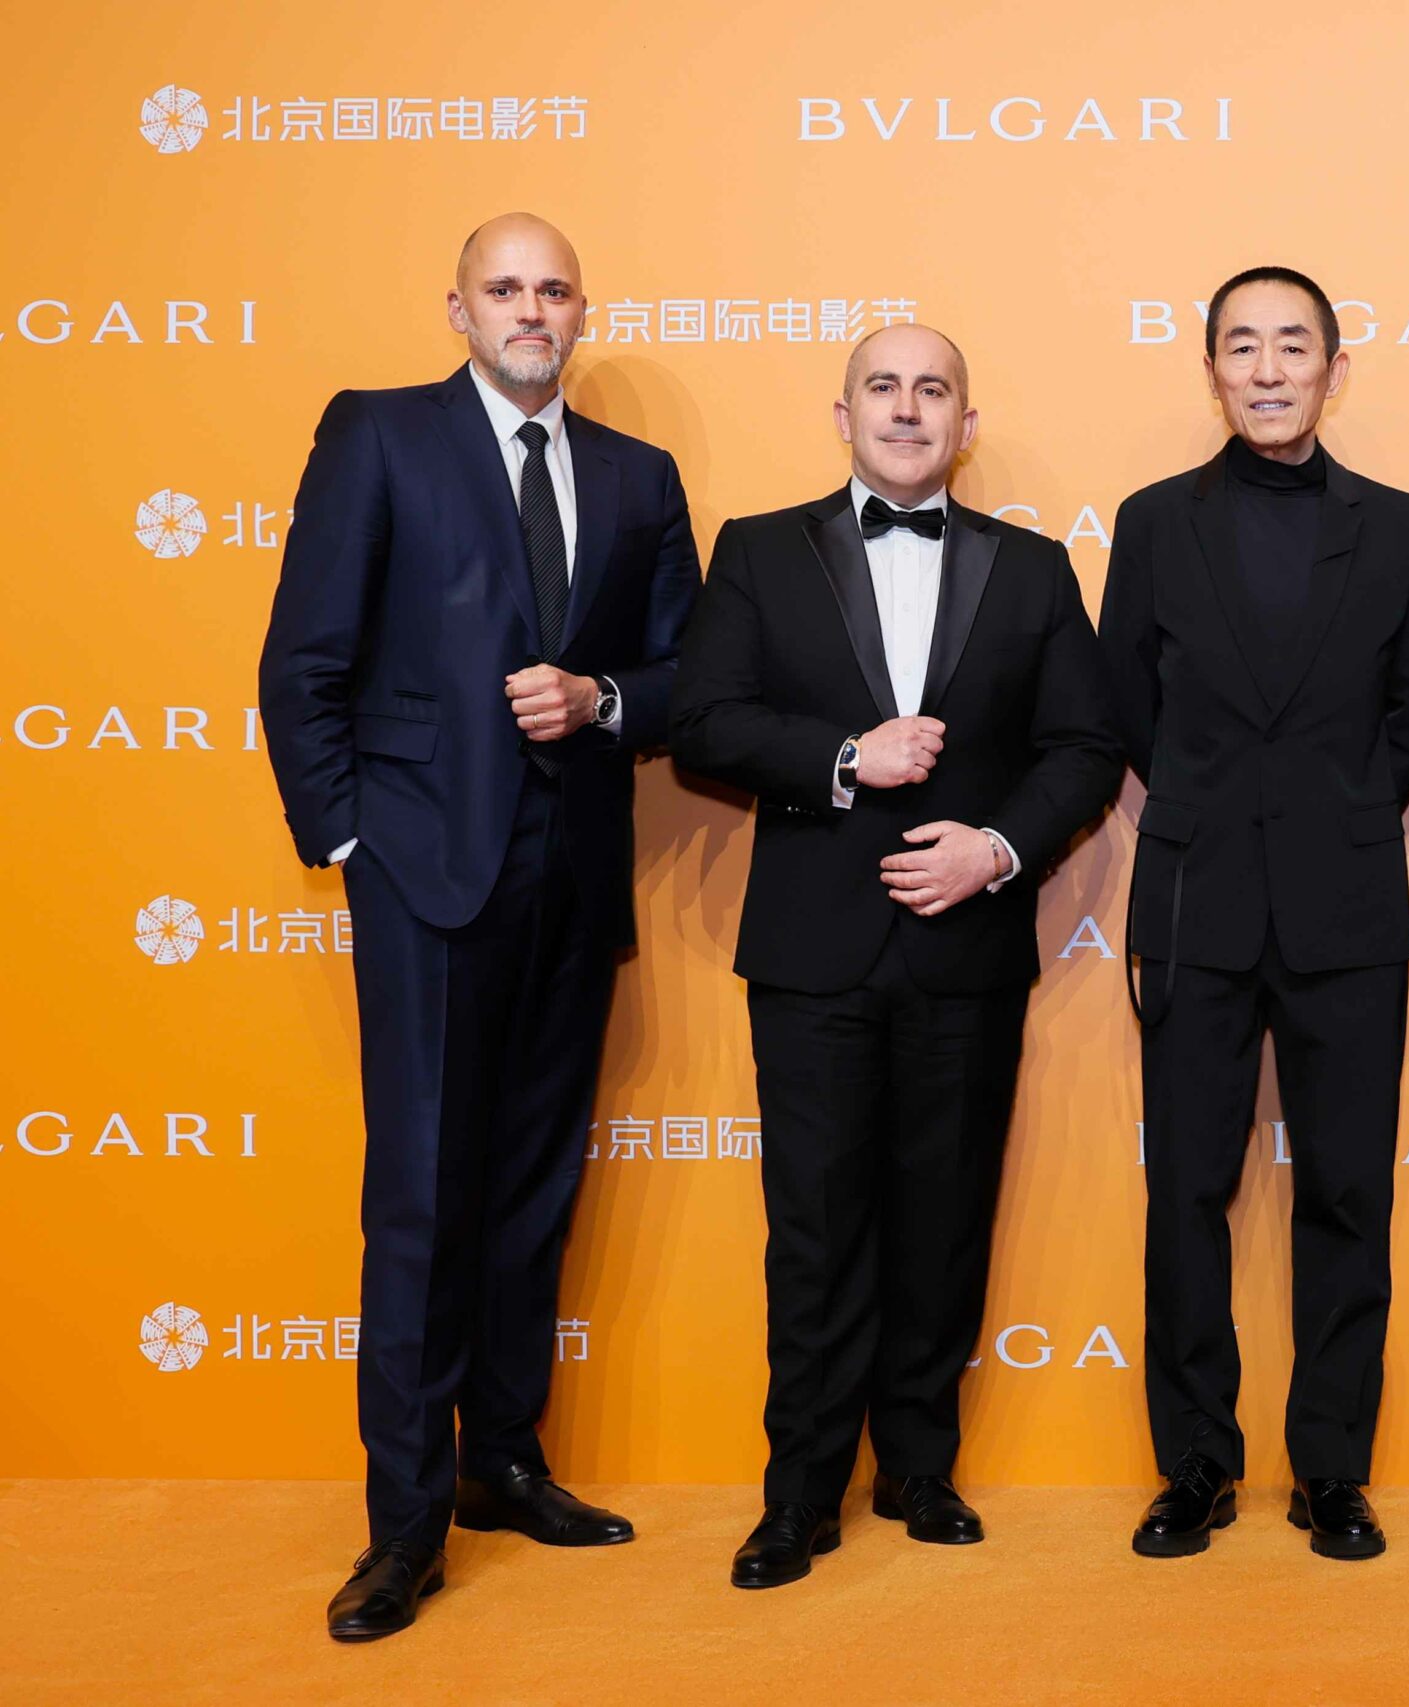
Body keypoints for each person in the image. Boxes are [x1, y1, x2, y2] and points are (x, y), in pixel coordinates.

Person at [257, 213, 702, 1641]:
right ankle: (404, 1523)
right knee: (424, 1200)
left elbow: (686, 675)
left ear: (583, 312)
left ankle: (503, 1462)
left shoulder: (638, 476)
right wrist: (351, 842)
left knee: (528, 1189)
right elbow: (302, 658)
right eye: (504, 288)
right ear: (457, 309)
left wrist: (602, 700)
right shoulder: (380, 434)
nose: (530, 310)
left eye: (553, 289)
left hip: (572, 879)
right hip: (423, 876)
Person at [670, 326, 1119, 1589]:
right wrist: (840, 759)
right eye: (885, 387)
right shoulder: (758, 550)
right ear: (844, 414)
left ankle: (921, 1467)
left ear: (966, 423)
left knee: (944, 1218)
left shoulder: (1033, 568)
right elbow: (703, 722)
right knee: (813, 1231)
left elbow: (1084, 746)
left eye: (934, 390)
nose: (908, 409)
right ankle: (800, 1493)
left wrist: (998, 848)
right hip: (812, 950)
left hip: (966, 946)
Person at [1097, 266, 1409, 1561]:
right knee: (1185, 1194)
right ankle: (1195, 1463)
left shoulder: (1400, 528)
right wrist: (1214, 809)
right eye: (1241, 346)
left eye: (1291, 345)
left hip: (1345, 903)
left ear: (1332, 370)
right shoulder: (1153, 521)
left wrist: (1336, 816)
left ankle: (1332, 1471)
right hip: (1195, 899)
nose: (1266, 368)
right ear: (1211, 370)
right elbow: (1126, 702)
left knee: (1348, 1194)